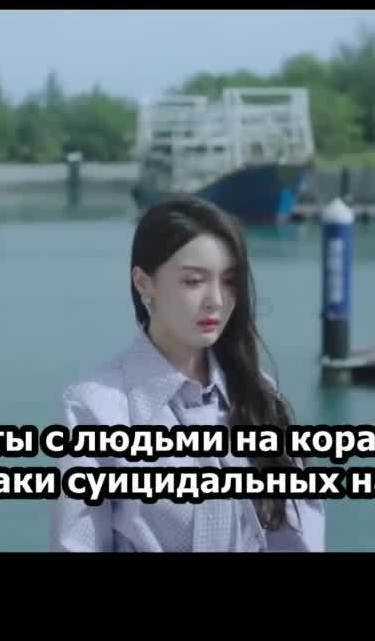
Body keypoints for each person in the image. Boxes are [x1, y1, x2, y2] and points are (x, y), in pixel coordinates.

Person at [49, 195, 325, 552]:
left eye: (229, 281)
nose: (216, 300)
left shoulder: (259, 396)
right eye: (194, 281)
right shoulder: (94, 410)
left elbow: (299, 538)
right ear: (143, 282)